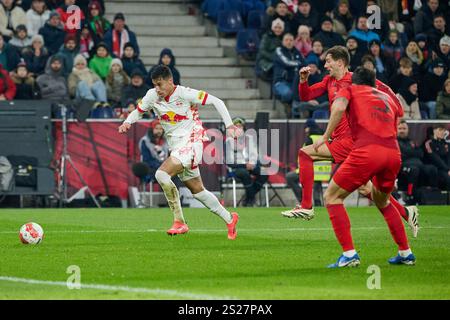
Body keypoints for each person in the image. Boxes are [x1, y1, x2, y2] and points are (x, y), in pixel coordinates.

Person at [281, 46, 419, 238]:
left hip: (351, 141)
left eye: (328, 61)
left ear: (340, 62)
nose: (325, 64)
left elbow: (387, 93)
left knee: (305, 153)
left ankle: (306, 206)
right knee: (367, 188)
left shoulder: (357, 81)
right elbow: (306, 96)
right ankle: (406, 213)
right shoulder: (328, 81)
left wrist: (397, 109)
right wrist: (303, 81)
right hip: (346, 141)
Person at [118, 65, 242, 239]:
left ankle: (179, 222)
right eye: (155, 85)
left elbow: (217, 101)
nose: (157, 89)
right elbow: (139, 111)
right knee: (198, 191)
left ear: (170, 81)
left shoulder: (185, 93)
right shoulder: (152, 95)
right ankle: (230, 218)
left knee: (161, 175)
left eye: (160, 84)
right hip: (177, 147)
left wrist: (229, 125)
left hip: (192, 142)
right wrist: (127, 122)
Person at [313, 67, 415, 268]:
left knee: (332, 197)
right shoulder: (387, 97)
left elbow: (339, 107)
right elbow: (399, 115)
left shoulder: (350, 90)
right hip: (393, 153)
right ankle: (406, 253)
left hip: (368, 151)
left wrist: (326, 136)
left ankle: (349, 254)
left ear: (355, 81)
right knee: (382, 200)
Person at [226, 117, 268, 207]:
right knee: (244, 173)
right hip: (236, 168)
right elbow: (229, 162)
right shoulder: (229, 141)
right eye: (236, 127)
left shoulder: (249, 139)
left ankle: (248, 197)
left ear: (244, 128)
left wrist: (253, 163)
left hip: (251, 165)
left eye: (240, 127)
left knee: (264, 172)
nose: (238, 129)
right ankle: (250, 199)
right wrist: (245, 165)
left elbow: (254, 155)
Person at [397, 120, 438, 205]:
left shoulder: (411, 141)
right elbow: (403, 154)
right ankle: (410, 195)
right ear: (396, 130)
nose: (402, 130)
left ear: (407, 130)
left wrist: (410, 152)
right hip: (402, 166)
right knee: (414, 170)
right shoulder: (395, 142)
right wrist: (412, 152)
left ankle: (432, 194)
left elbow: (420, 153)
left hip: (418, 164)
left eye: (404, 128)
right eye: (400, 128)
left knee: (432, 169)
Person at [272, 32, 305, 111]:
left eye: (291, 40)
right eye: (286, 40)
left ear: (294, 42)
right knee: (289, 94)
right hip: (280, 82)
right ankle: (287, 105)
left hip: (295, 82)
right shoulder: (279, 50)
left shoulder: (297, 52)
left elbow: (304, 63)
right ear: (283, 41)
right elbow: (286, 62)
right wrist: (298, 63)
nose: (289, 42)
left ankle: (294, 113)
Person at [423, 124, 450, 190]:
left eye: (444, 130)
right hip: (436, 168)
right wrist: (447, 169)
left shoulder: (446, 144)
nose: (442, 132)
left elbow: (448, 157)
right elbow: (435, 158)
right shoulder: (428, 143)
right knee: (447, 178)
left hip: (446, 169)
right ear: (434, 131)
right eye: (440, 130)